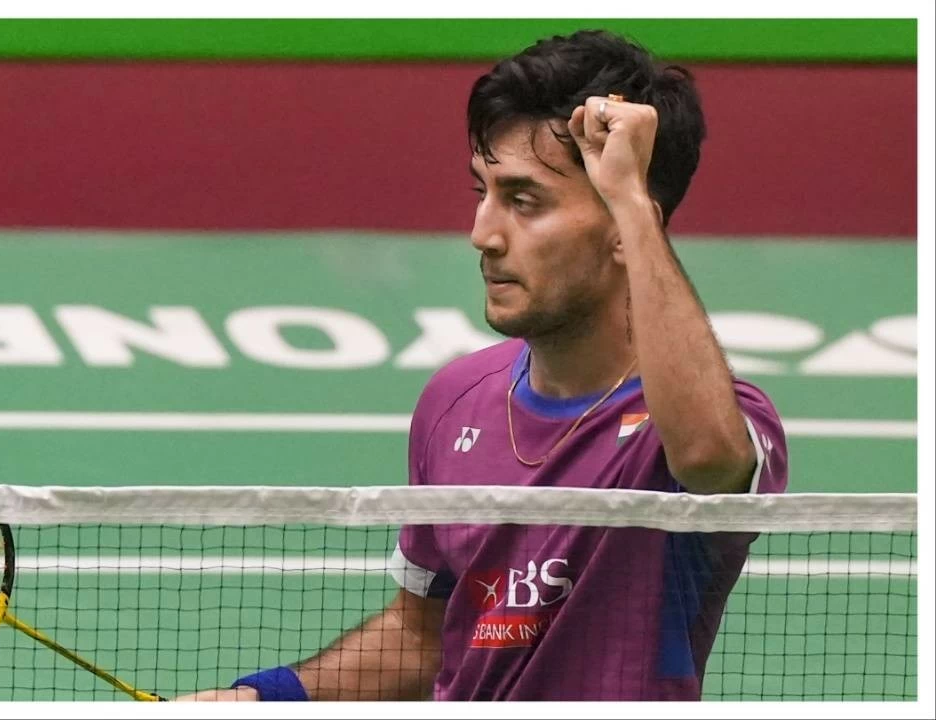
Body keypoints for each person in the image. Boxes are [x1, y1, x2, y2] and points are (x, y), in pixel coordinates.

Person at [179, 28, 788, 702]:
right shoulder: (456, 398)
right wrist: (264, 697)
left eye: (524, 202)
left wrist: (633, 200)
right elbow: (423, 635)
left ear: (624, 222)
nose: (484, 234)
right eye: (484, 192)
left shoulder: (702, 424)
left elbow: (707, 456)